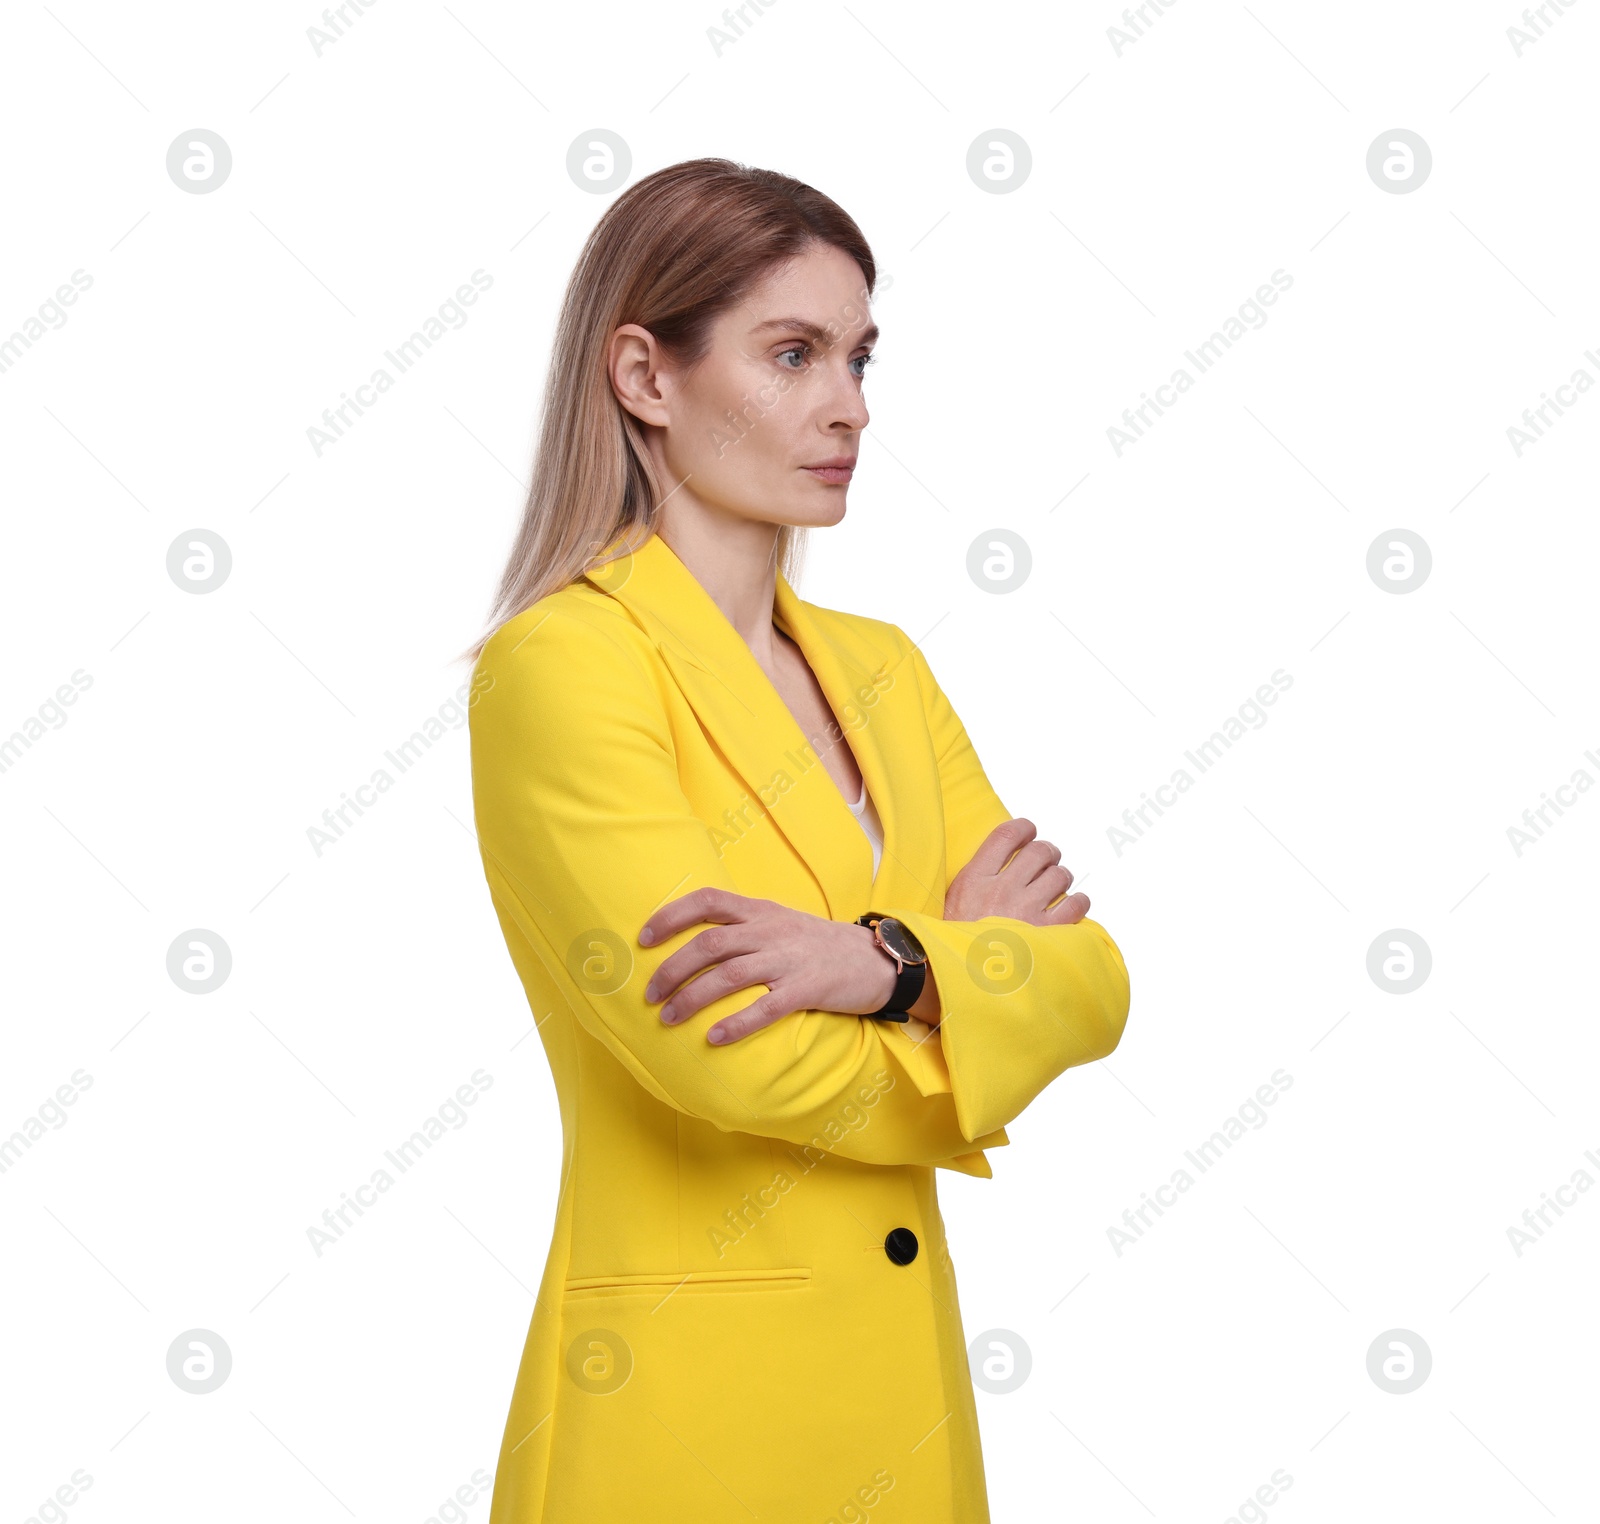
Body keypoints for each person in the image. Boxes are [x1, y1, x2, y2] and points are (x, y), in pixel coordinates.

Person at [464, 157, 1132, 1523]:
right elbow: (730, 1058)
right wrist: (965, 982)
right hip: (691, 1412)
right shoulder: (566, 668)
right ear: (645, 377)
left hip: (904, 1409)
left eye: (859, 356)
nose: (851, 406)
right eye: (793, 353)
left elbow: (1098, 985)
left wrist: (874, 963)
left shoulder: (881, 666)